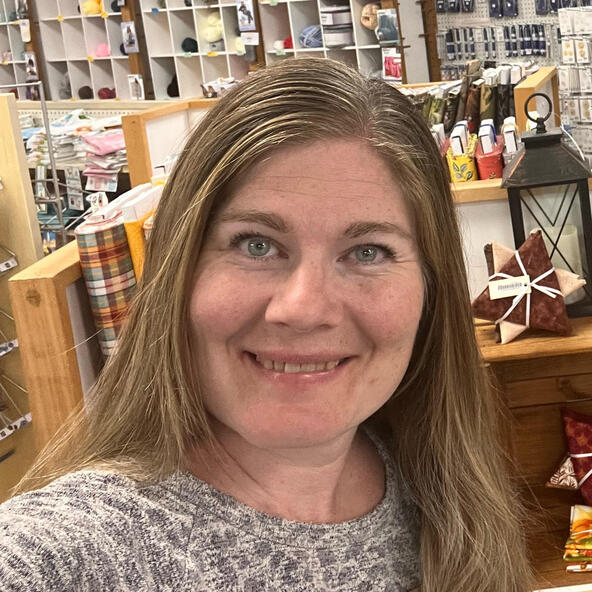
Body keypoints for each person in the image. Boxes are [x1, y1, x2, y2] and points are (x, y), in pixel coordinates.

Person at [0, 59, 532, 591]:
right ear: (178, 274)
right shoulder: (74, 552)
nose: (304, 309)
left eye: (367, 251)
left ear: (430, 289)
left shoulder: (444, 492)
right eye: (256, 245)